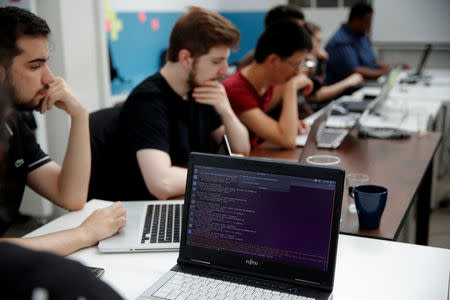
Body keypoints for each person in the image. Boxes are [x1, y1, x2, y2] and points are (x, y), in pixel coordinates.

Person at [0, 6, 126, 255]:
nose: (50, 78)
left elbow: (70, 196)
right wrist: (84, 234)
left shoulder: (13, 126)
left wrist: (80, 116)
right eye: (36, 66)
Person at [97, 6, 250, 201]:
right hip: (144, 211)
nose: (225, 70)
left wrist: (225, 109)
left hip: (185, 199)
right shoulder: (147, 101)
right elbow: (161, 183)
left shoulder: (200, 90)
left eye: (226, 61)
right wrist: (222, 173)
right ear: (185, 58)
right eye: (216, 61)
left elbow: (242, 149)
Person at [223, 21, 313, 149]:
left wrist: (291, 124)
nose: (297, 72)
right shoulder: (236, 90)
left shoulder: (268, 82)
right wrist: (291, 88)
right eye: (295, 64)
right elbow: (287, 140)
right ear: (274, 60)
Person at [325, 2, 407, 85]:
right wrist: (387, 72)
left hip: (367, 83)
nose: (370, 25)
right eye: (367, 21)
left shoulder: (361, 36)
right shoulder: (341, 41)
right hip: (350, 90)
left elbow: (372, 62)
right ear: (356, 20)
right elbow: (354, 71)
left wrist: (393, 67)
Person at [303, 21, 364, 106]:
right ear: (307, 41)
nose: (320, 47)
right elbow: (314, 96)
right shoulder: (304, 63)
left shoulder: (315, 60)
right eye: (318, 41)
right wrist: (348, 82)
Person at [237, 5, 305, 69]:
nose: (302, 35)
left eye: (302, 29)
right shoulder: (250, 64)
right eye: (295, 30)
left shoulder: (292, 57)